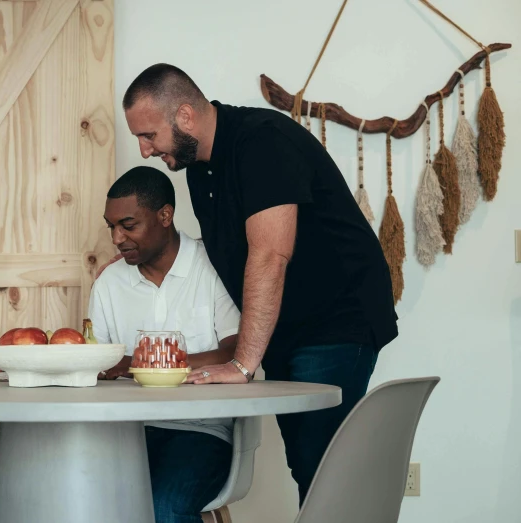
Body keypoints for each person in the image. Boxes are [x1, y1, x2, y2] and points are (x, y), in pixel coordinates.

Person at [119, 63, 399, 504]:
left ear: (186, 117)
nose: (144, 150)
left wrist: (243, 365)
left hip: (338, 319)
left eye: (149, 135)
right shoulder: (198, 169)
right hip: (288, 327)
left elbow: (270, 254)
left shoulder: (263, 140)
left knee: (323, 464)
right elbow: (228, 249)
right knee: (306, 463)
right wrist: (129, 260)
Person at [89, 166, 241, 523]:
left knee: (163, 508)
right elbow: (99, 364)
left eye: (128, 225)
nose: (116, 238)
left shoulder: (212, 266)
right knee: (72, 497)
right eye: (111, 227)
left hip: (201, 429)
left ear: (165, 216)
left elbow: (234, 352)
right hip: (124, 431)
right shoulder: (109, 283)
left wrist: (137, 363)